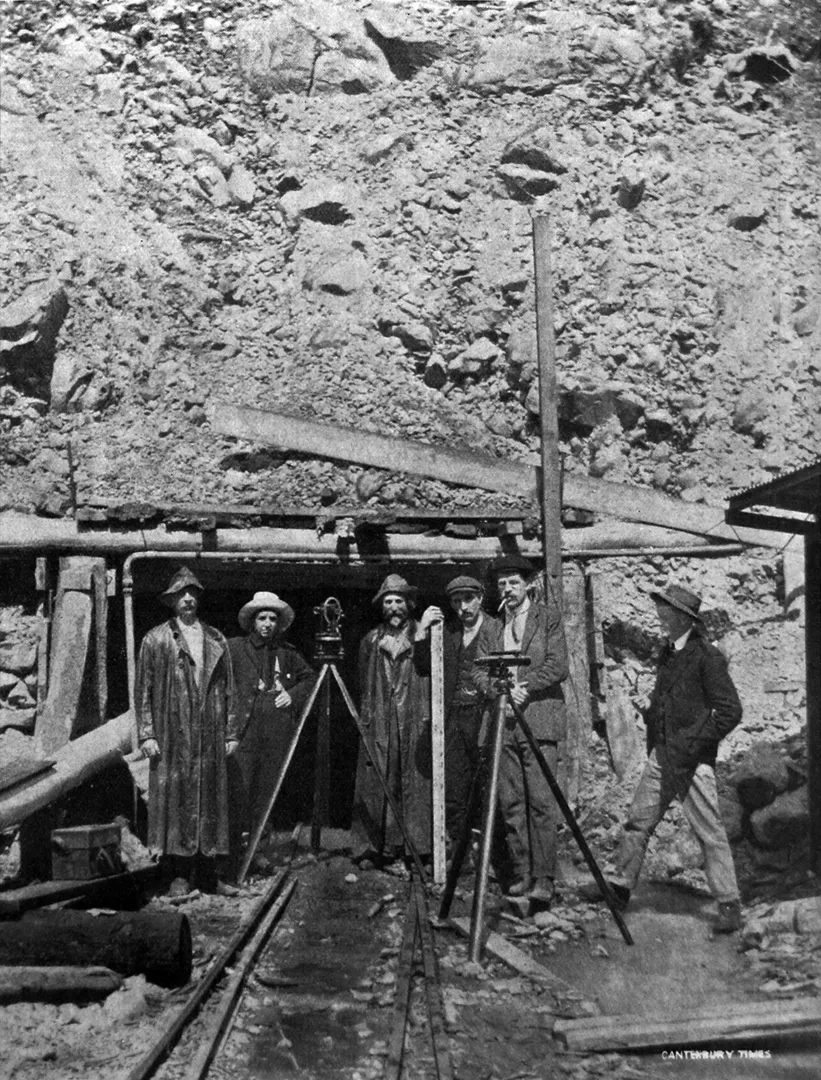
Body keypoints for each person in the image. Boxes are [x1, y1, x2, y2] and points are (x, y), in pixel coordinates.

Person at [585, 583, 744, 934]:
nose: (660, 616)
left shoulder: (708, 657)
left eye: (667, 611)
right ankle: (620, 889)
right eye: (661, 609)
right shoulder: (668, 652)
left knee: (710, 832)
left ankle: (729, 904)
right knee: (638, 821)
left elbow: (731, 711)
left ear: (685, 618)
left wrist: (694, 743)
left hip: (692, 760)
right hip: (663, 756)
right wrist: (653, 715)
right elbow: (669, 700)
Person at [136, 566, 238, 896]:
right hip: (171, 729)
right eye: (182, 594)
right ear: (172, 601)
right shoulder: (156, 639)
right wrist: (147, 734)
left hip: (209, 730)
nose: (188, 599)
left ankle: (209, 876)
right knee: (176, 799)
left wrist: (231, 731)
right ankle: (179, 875)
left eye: (193, 593)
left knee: (210, 798)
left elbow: (230, 689)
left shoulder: (216, 638)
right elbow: (143, 690)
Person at [474, 553, 569, 904]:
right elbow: (478, 671)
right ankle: (522, 873)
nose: (508, 589)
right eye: (501, 584)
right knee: (511, 801)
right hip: (503, 723)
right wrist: (498, 688)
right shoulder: (493, 626)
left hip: (539, 719)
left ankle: (545, 878)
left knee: (541, 801)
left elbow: (559, 665)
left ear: (528, 585)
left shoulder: (548, 619)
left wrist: (523, 686)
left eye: (514, 582)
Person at [228, 592, 316, 870]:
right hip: (243, 729)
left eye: (272, 619)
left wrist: (292, 695)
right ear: (252, 621)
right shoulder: (234, 648)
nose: (267, 624)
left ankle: (259, 850)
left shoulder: (287, 653)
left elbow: (311, 678)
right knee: (240, 788)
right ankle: (232, 851)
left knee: (267, 790)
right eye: (262, 618)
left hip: (276, 731)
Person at [351, 573, 431, 867]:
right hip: (381, 721)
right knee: (376, 782)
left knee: (413, 783)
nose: (394, 607)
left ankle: (415, 849)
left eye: (399, 601)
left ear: (409, 605)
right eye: (388, 601)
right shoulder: (370, 641)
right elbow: (363, 681)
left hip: (413, 718)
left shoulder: (423, 637)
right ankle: (372, 848)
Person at [414, 575, 498, 848]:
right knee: (455, 788)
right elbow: (423, 667)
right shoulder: (447, 633)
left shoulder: (498, 630)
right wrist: (422, 631)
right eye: (456, 601)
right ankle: (462, 856)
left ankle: (492, 852)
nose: (463, 607)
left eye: (468, 599)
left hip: (487, 717)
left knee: (490, 784)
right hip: (454, 719)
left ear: (481, 598)